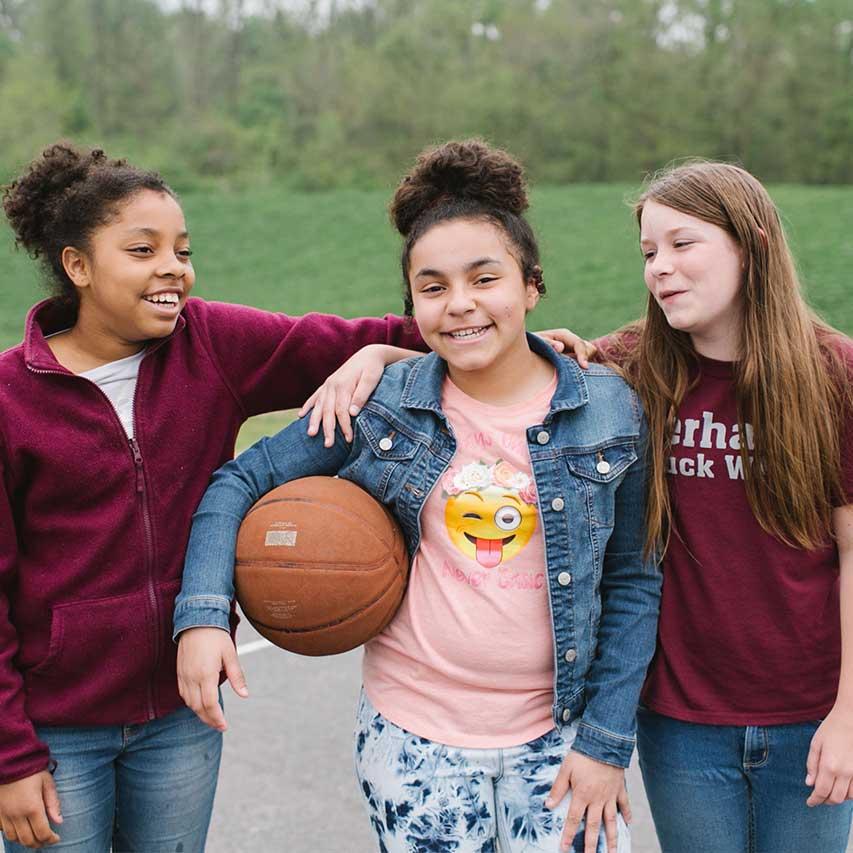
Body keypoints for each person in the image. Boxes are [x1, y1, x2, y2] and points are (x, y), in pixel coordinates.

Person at [174, 139, 662, 853]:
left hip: (560, 742)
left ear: (530, 286)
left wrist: (606, 742)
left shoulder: (611, 412)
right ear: (412, 307)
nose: (459, 303)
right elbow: (239, 479)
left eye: (483, 279)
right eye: (433, 288)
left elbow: (633, 579)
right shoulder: (381, 405)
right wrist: (204, 614)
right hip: (413, 742)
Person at [0, 141, 433, 852]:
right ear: (77, 265)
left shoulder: (211, 343)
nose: (173, 266)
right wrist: (10, 755)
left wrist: (524, 349)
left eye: (182, 248)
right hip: (54, 731)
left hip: (181, 712)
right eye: (142, 250)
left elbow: (400, 335)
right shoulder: (11, 397)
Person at [563, 161, 853, 852]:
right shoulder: (626, 368)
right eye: (647, 253)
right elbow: (492, 365)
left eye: (680, 243)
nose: (659, 267)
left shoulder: (834, 375)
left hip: (812, 719)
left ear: (749, 246)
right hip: (680, 720)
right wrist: (374, 356)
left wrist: (849, 714)